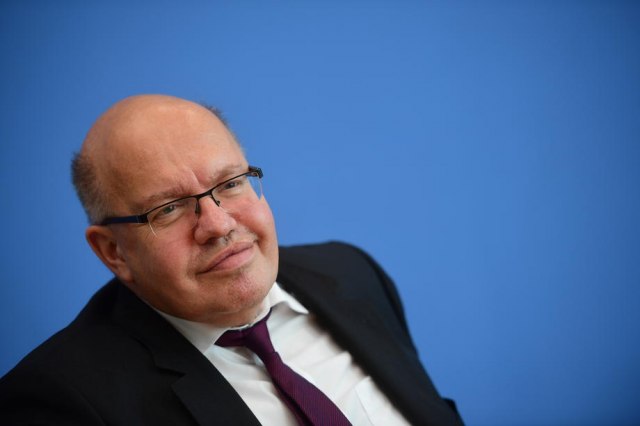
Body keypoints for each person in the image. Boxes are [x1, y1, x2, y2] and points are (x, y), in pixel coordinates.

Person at [0, 95, 463, 425]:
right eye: (169, 208)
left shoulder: (351, 274)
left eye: (230, 183)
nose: (218, 224)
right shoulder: (62, 400)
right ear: (113, 251)